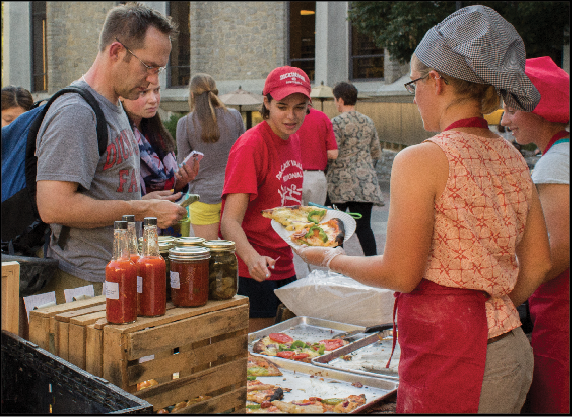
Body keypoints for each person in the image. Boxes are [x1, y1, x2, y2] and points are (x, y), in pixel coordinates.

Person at [294, 5, 551, 414]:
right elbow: (537, 264)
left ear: (436, 81)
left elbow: (400, 273)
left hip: (459, 361)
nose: (413, 97)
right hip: (509, 349)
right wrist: (488, 304)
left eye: (414, 83)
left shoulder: (421, 158)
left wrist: (330, 257)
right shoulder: (512, 156)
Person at [35, 3, 188, 304]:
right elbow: (53, 206)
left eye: (160, 69)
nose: (154, 79)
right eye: (149, 66)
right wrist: (141, 210)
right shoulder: (76, 112)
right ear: (116, 51)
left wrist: (141, 203)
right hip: (83, 282)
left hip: (114, 274)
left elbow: (105, 192)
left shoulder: (115, 105)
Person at [501, 56, 570, 414]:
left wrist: (507, 300)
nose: (505, 120)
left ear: (539, 108)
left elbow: (558, 251)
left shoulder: (557, 161)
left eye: (512, 109)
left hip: (562, 315)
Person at [220, 66, 311, 332]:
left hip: (284, 265)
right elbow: (229, 222)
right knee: (256, 353)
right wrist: (251, 258)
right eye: (282, 106)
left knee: (284, 346)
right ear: (267, 102)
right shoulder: (251, 146)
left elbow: (284, 203)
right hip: (253, 270)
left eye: (299, 107)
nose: (291, 116)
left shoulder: (292, 139)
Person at [121, 80, 199, 234]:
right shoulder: (118, 135)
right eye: (143, 92)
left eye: (156, 90)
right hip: (129, 233)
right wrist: (143, 204)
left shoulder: (156, 133)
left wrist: (180, 182)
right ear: (122, 95)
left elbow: (164, 187)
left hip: (161, 231)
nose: (153, 99)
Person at [176, 73, 245, 241]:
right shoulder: (235, 117)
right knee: (234, 256)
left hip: (202, 197)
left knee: (207, 257)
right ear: (216, 92)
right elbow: (244, 156)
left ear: (192, 95)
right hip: (234, 197)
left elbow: (183, 167)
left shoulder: (185, 123)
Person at [326, 81, 384, 256]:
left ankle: (337, 269)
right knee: (364, 227)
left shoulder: (335, 123)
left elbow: (331, 151)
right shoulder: (368, 121)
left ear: (340, 100)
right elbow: (376, 152)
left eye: (335, 100)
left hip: (339, 184)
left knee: (335, 229)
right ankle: (373, 264)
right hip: (365, 183)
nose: (336, 103)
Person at [297, 103, 338, 206]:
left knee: (293, 217)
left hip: (291, 174)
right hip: (316, 176)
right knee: (315, 217)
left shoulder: (289, 118)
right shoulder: (322, 117)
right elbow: (333, 154)